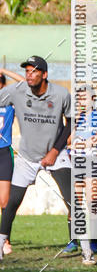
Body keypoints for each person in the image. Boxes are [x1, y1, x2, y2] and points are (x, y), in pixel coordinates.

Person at [0, 56, 72, 259]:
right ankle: (2, 245)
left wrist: (56, 150)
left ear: (45, 74)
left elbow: (72, 121)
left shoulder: (60, 94)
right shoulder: (17, 91)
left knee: (72, 200)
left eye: (34, 71)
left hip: (55, 155)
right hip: (27, 157)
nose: (29, 75)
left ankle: (86, 249)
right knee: (11, 203)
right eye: (27, 71)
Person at [68, 87, 97, 266]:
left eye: (84, 98)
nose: (81, 101)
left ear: (93, 98)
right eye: (79, 98)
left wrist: (82, 142)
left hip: (92, 161)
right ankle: (76, 241)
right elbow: (69, 140)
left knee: (92, 202)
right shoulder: (76, 119)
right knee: (75, 203)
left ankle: (93, 240)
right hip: (76, 161)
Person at [0, 67, 26, 255]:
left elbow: (24, 83)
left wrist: (2, 69)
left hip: (3, 153)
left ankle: (5, 239)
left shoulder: (10, 101)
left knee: (5, 200)